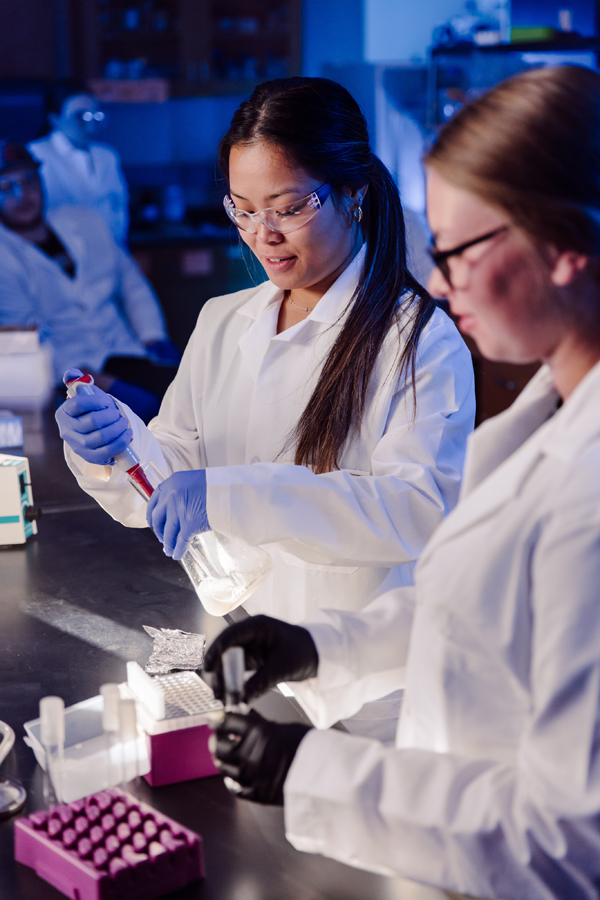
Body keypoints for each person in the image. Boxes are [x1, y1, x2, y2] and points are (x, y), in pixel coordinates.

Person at [203, 65, 600, 900]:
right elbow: (477, 602)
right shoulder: (551, 411)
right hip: (443, 825)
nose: (441, 278)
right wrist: (325, 645)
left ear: (565, 247)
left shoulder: (588, 494)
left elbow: (569, 840)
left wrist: (318, 773)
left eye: (458, 249)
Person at [56, 77, 474, 739]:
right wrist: (112, 446)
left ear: (354, 193)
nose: (263, 234)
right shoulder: (223, 321)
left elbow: (414, 512)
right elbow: (171, 482)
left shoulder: (417, 338)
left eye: (288, 207)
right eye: (243, 209)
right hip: (242, 654)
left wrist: (228, 496)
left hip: (366, 694)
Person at [0, 142, 180, 422]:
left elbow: (132, 285)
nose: (21, 195)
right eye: (5, 187)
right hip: (71, 380)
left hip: (130, 353)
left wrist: (153, 336)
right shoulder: (3, 256)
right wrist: (91, 381)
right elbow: (25, 340)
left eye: (27, 180)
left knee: (202, 401)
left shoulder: (85, 220)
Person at [29, 93, 129, 244]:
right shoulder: (36, 154)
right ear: (54, 118)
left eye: (95, 116)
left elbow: (119, 205)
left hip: (110, 247)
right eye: (80, 116)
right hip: (63, 251)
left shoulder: (107, 155)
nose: (90, 125)